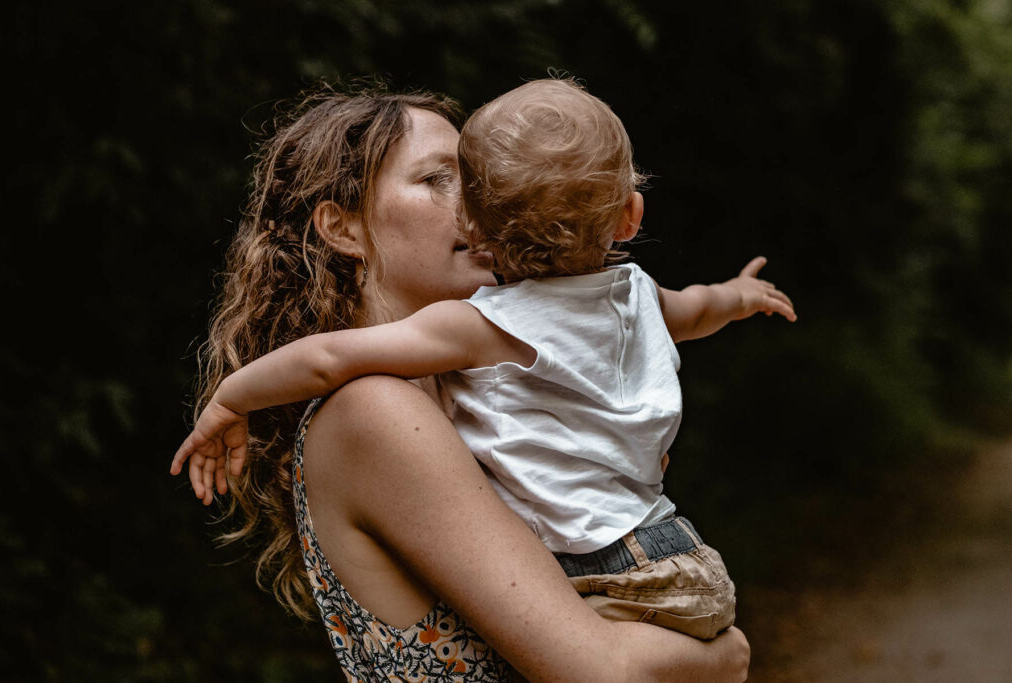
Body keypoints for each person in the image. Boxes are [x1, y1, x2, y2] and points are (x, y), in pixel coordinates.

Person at [172, 79, 792, 656]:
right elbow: (608, 670)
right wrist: (724, 659)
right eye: (438, 178)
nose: (473, 200)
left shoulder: (477, 372)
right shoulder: (375, 406)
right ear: (344, 227)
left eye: (474, 179)